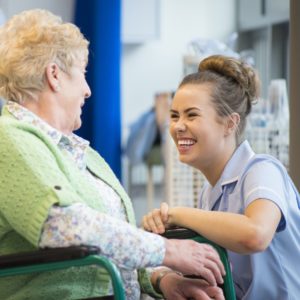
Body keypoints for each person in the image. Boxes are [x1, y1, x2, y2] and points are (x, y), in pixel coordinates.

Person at [0, 9, 225, 300]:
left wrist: (162, 280)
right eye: (82, 74)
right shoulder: (9, 138)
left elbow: (113, 243)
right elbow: (63, 225)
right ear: (54, 75)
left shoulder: (80, 153)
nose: (88, 90)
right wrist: (169, 250)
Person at [142, 55, 300, 300]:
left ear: (230, 123)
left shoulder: (262, 171)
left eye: (191, 115)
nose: (179, 126)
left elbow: (255, 234)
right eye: (174, 116)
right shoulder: (210, 193)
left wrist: (176, 214)